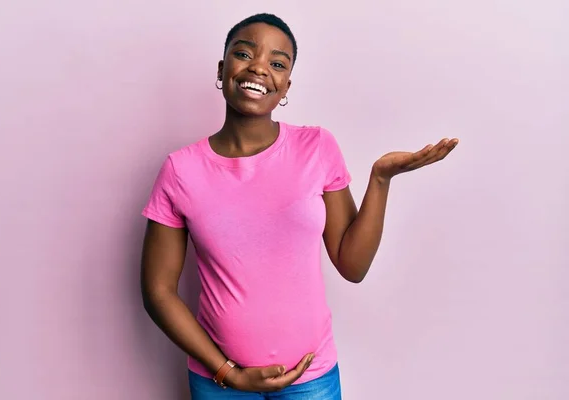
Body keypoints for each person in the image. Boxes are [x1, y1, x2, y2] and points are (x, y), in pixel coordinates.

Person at [140, 13, 458, 400]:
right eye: (245, 53)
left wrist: (380, 179)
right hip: (220, 384)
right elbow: (158, 291)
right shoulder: (181, 169)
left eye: (277, 63)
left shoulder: (317, 148)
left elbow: (352, 265)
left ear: (285, 85)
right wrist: (228, 373)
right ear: (223, 70)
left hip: (313, 379)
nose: (259, 67)